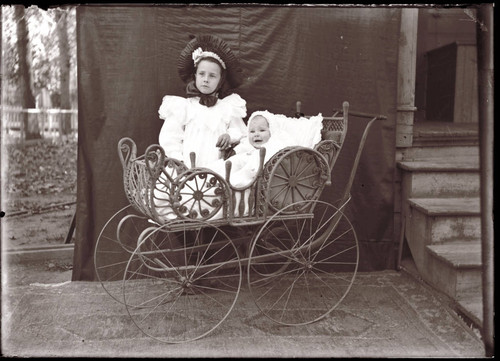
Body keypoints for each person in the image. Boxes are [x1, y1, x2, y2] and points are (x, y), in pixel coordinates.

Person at [157, 34, 247, 167]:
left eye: (212, 76)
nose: (206, 79)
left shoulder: (227, 107)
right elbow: (170, 137)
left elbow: (240, 131)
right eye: (202, 74)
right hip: (187, 168)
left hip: (217, 168)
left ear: (220, 81)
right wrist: (178, 160)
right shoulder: (184, 107)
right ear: (195, 76)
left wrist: (229, 136)